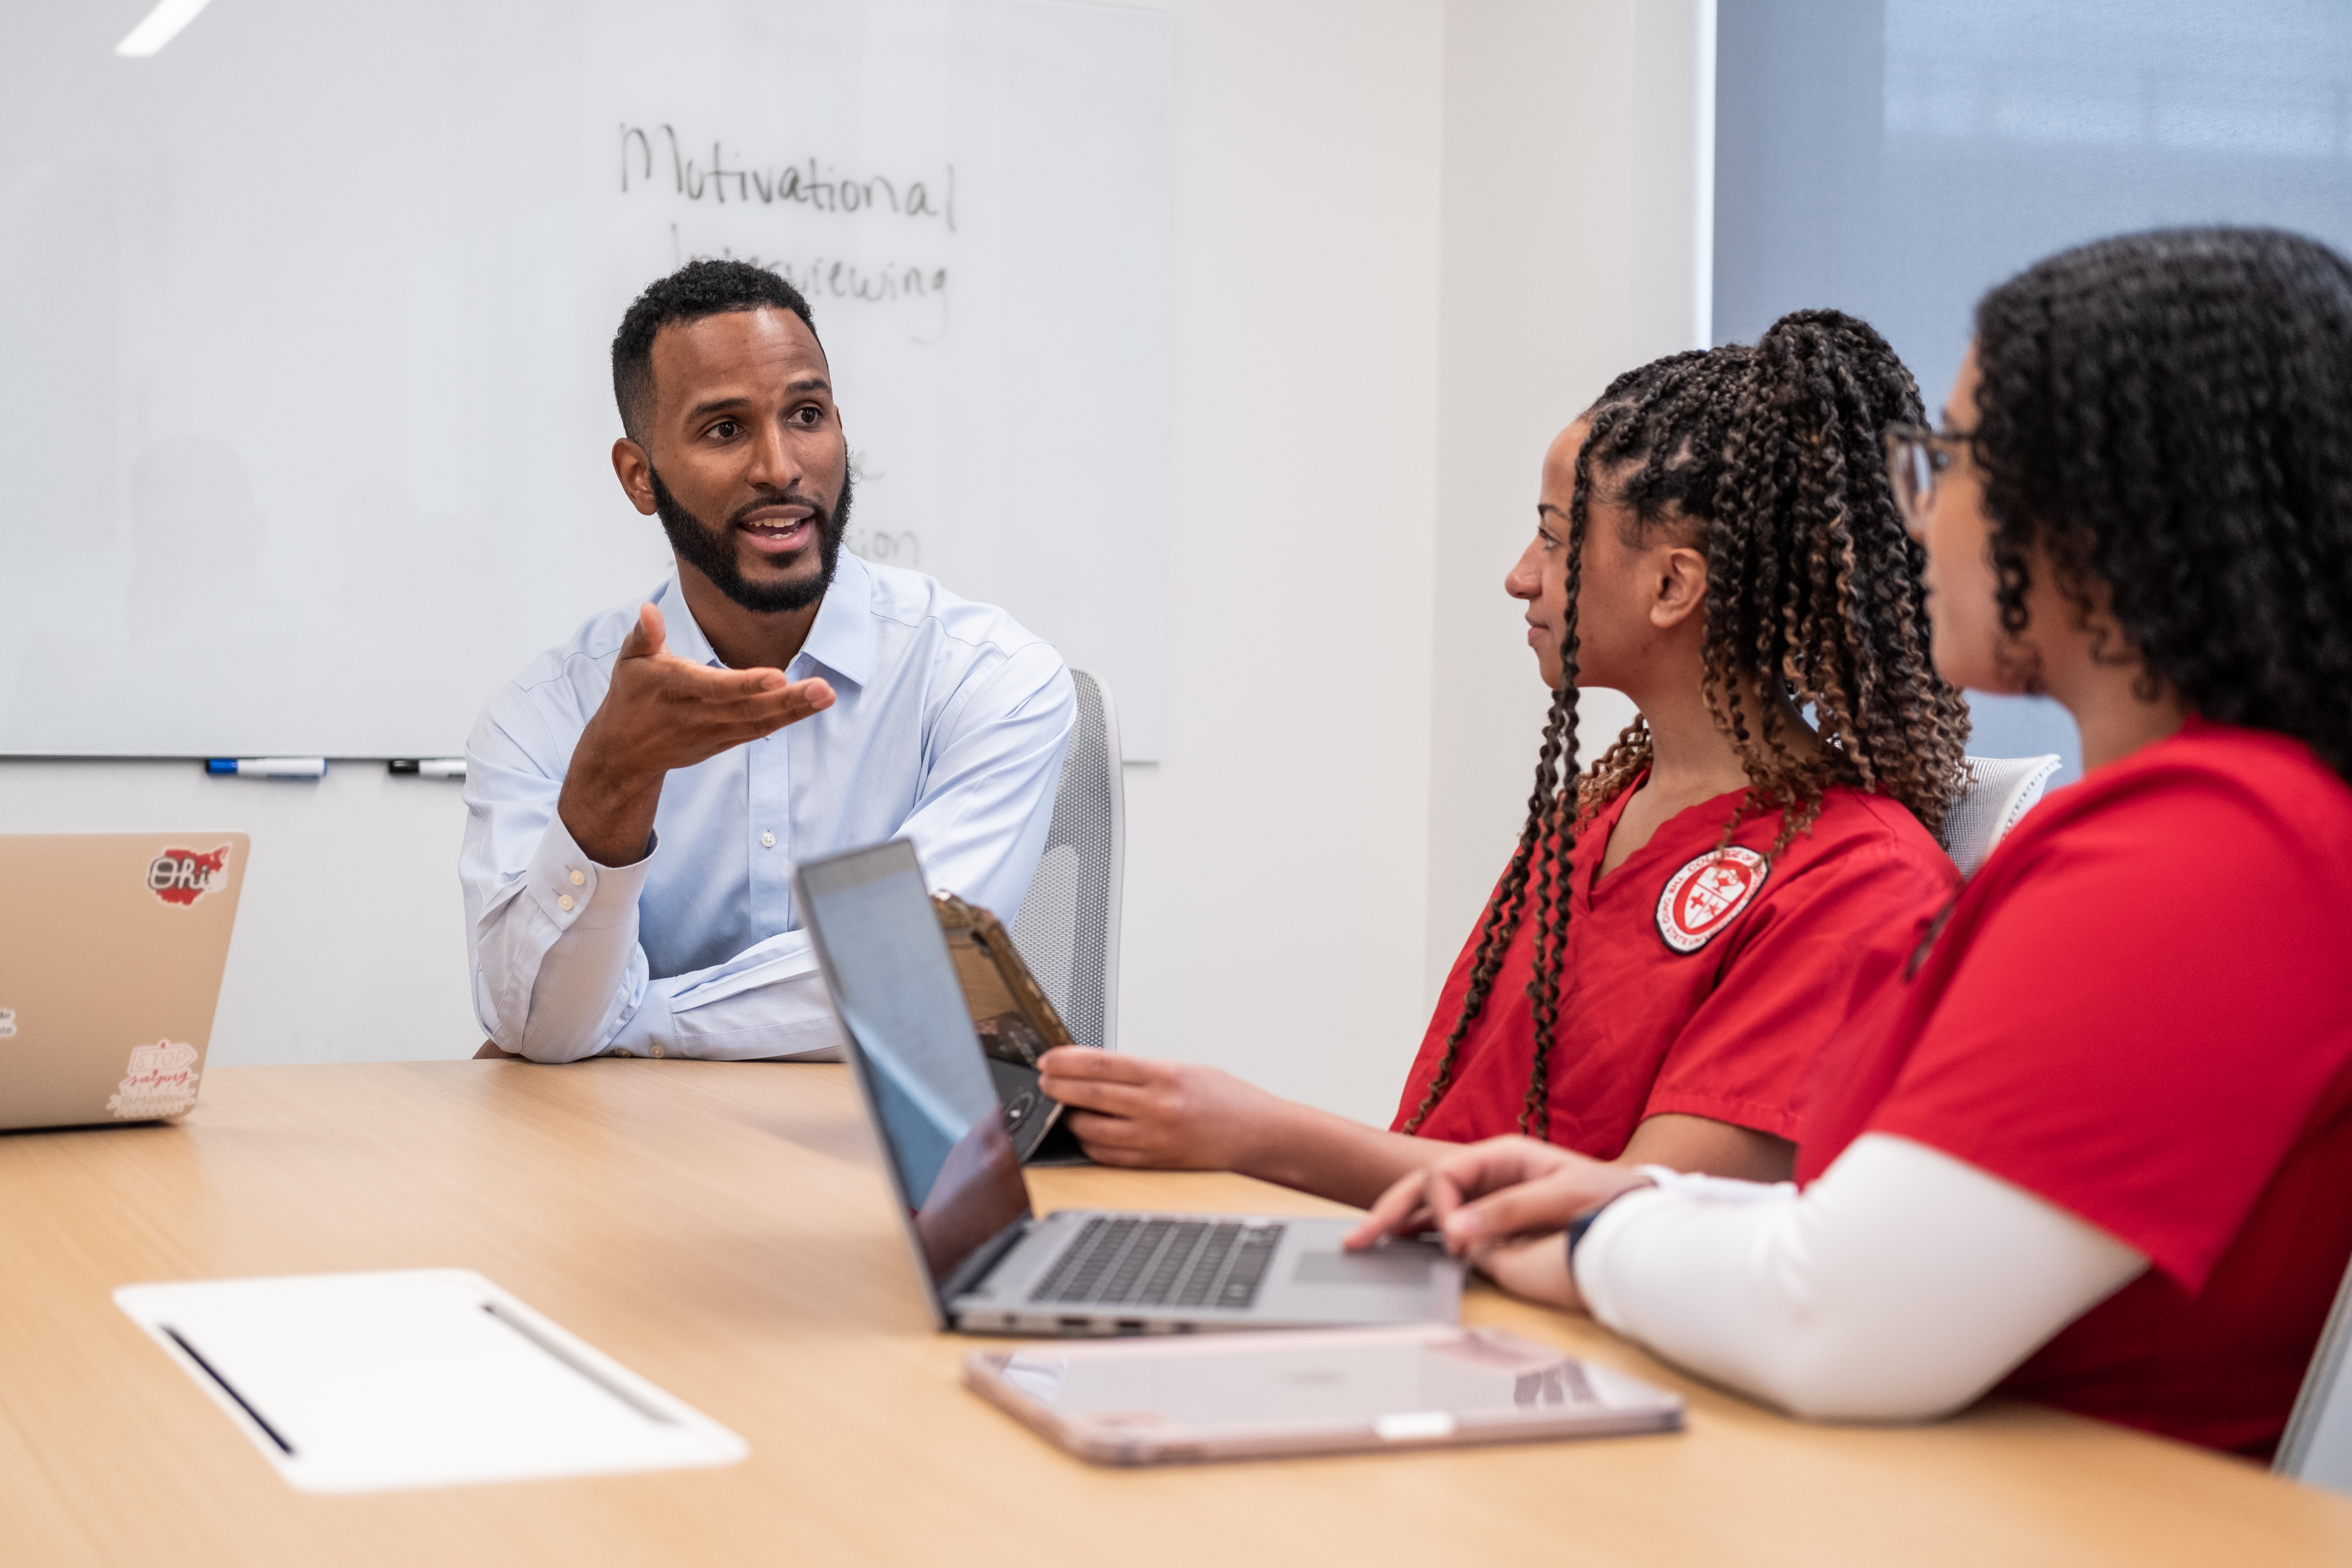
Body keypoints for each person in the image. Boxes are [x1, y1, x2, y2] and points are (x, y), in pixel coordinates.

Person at [1349, 227, 2352, 1459]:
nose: (1916, 522)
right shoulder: (2192, 834)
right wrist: (1642, 1200)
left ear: (2101, 506)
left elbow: (1835, 1316)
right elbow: (1854, 1228)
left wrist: (1596, 1234)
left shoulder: (2215, 856)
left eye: (1956, 462)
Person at [1040, 312, 1970, 1204]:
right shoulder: (1594, 821)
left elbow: (1642, 1215)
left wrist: (1256, 1134)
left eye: (1558, 538)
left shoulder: (1859, 884)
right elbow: (1443, 1147)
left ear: (1672, 584)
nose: (1521, 574)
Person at [461, 260, 1074, 1062]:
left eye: (808, 414)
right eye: (725, 429)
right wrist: (612, 782)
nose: (781, 467)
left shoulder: (990, 678)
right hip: (622, 1161)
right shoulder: (544, 715)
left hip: (882, 1166)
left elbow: (908, 975)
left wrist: (630, 1025)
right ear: (640, 476)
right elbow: (540, 1024)